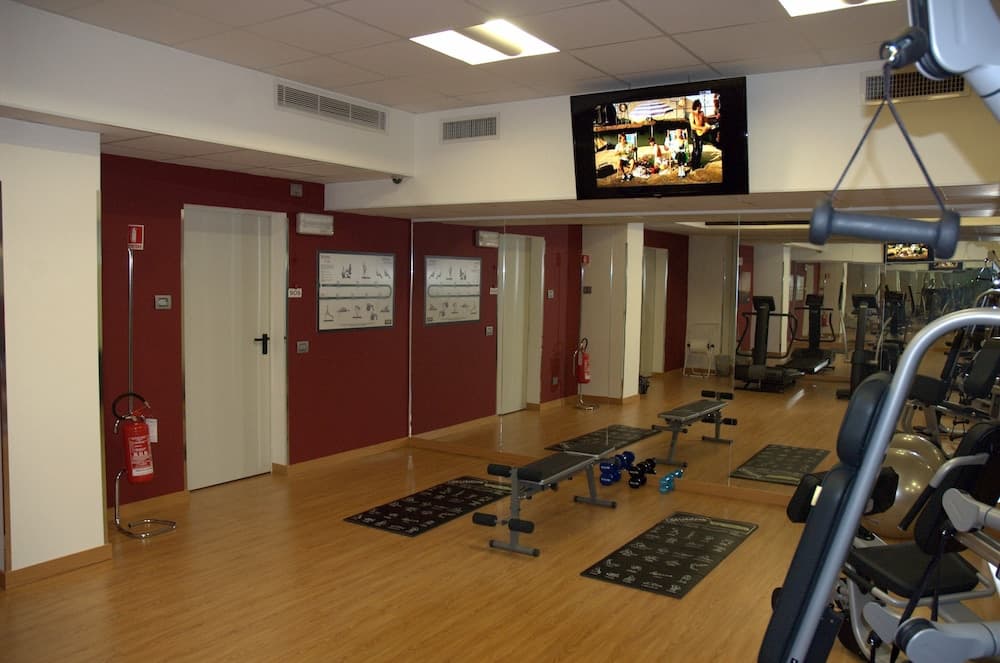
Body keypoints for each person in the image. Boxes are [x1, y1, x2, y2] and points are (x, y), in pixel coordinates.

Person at [689, 99, 710, 170]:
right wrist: (702, 128)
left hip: (701, 133)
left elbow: (705, 122)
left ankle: (697, 164)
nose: (701, 107)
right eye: (700, 105)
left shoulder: (702, 113)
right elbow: (692, 126)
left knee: (700, 149)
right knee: (696, 150)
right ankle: (694, 165)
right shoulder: (692, 114)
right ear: (697, 106)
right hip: (694, 133)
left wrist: (707, 126)